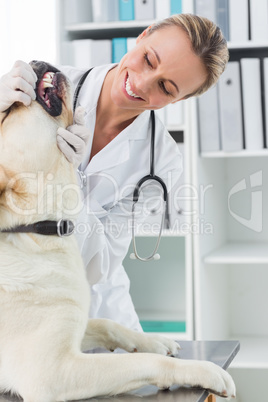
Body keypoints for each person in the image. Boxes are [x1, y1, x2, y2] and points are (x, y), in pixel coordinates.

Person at [0, 14, 229, 332]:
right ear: (144, 34)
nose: (141, 83)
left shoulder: (161, 161)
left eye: (166, 87)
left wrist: (69, 183)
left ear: (182, 99)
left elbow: (99, 266)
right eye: (149, 59)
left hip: (95, 307)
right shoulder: (46, 89)